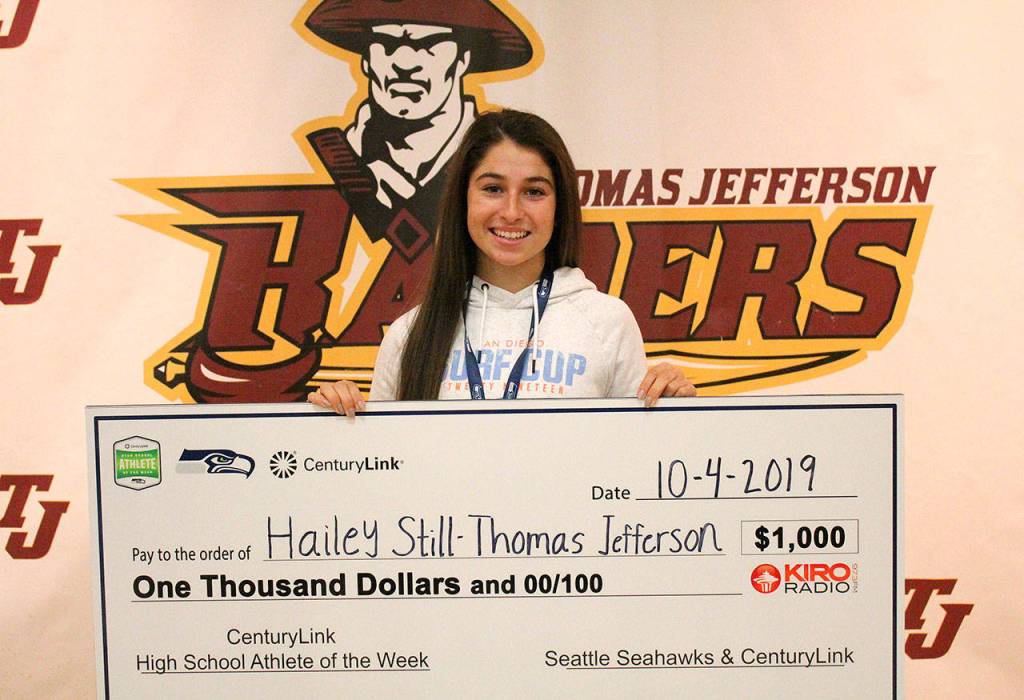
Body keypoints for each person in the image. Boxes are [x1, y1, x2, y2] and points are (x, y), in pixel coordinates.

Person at [309, 109, 695, 415]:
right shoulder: (410, 334)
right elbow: (385, 469)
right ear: (463, 199)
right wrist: (337, 421)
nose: (511, 212)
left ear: (559, 207)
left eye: (534, 192)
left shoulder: (608, 322)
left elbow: (635, 463)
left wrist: (674, 410)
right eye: (493, 189)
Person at [304, 0, 533, 259]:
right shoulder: (332, 156)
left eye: (429, 45)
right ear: (366, 61)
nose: (404, 63)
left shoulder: (493, 158)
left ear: (462, 60)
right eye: (388, 44)